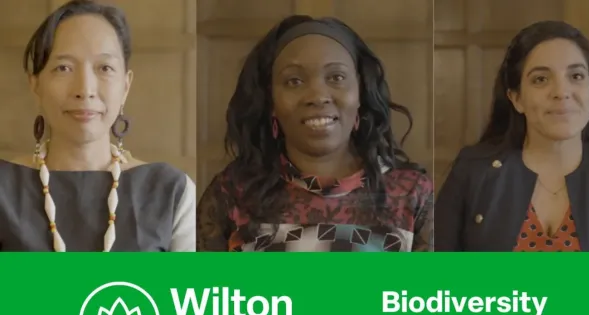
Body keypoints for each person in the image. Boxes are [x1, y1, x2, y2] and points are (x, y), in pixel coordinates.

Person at [196, 15, 433, 252]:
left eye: (336, 77)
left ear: (361, 90)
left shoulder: (411, 194)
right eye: (294, 81)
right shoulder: (231, 192)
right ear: (271, 101)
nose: (318, 96)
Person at [0, 0, 196, 252]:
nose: (85, 89)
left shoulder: (171, 192)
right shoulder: (5, 186)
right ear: (35, 84)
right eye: (64, 68)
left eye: (105, 68)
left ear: (125, 86)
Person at [435, 20, 589, 252]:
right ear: (516, 98)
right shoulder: (472, 172)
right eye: (541, 79)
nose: (561, 92)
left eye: (576, 76)